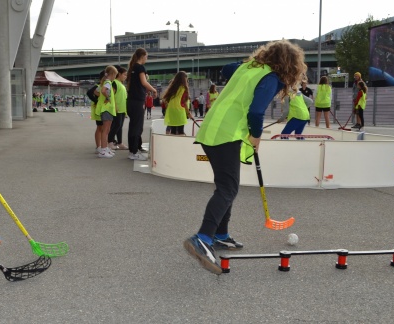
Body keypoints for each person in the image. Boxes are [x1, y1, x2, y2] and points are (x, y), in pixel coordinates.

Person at [185, 40, 305, 274]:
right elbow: (256, 111)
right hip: (226, 133)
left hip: (212, 128)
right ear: (290, 66)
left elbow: (226, 69)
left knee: (227, 185)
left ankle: (220, 234)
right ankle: (202, 238)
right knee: (228, 188)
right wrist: (256, 137)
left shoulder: (248, 68)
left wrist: (248, 62)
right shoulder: (271, 77)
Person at [126, 48, 157, 161]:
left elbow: (139, 84)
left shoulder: (132, 67)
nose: (146, 58)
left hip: (131, 101)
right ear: (142, 56)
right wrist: (154, 90)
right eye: (146, 56)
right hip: (137, 101)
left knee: (133, 126)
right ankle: (134, 152)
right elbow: (144, 82)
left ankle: (134, 149)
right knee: (137, 127)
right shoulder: (140, 67)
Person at [96, 65, 117, 158]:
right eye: (115, 75)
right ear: (112, 74)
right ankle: (103, 150)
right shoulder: (108, 82)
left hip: (107, 109)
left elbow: (98, 91)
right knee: (105, 130)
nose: (115, 77)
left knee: (107, 129)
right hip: (107, 109)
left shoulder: (105, 82)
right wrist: (107, 98)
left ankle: (105, 148)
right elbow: (104, 91)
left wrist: (104, 97)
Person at [162, 71, 193, 135]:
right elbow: (184, 102)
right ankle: (180, 144)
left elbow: (165, 100)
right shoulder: (184, 88)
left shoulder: (173, 88)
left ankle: (173, 144)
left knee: (173, 131)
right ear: (184, 79)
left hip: (171, 111)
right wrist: (188, 113)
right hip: (179, 111)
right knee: (180, 131)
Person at [108, 65, 128, 149]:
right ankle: (109, 141)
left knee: (120, 126)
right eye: (124, 75)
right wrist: (115, 106)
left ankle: (120, 143)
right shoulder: (114, 83)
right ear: (119, 74)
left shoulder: (122, 85)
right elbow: (112, 95)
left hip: (122, 109)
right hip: (117, 108)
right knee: (116, 125)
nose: (125, 77)